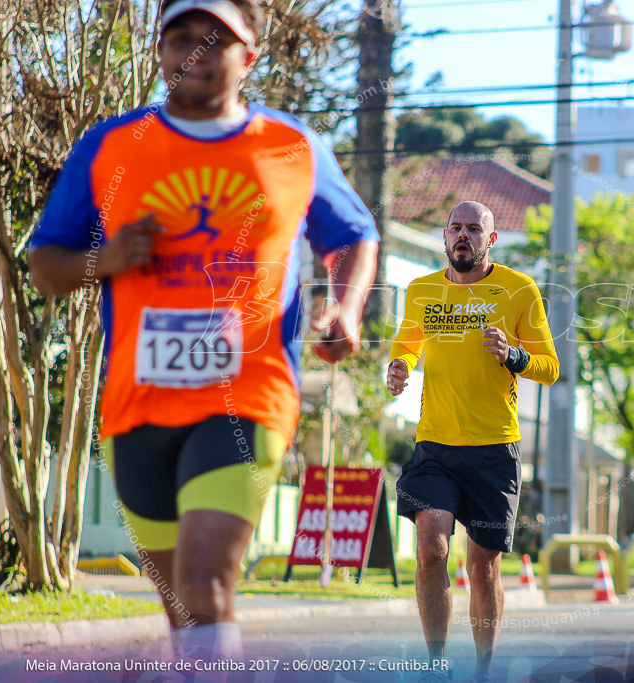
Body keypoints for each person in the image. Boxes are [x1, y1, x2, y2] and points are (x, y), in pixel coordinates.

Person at [29, 0, 379, 661]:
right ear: (160, 50)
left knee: (206, 581)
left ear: (249, 57)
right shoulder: (111, 146)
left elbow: (355, 233)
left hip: (247, 395)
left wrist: (346, 308)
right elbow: (46, 265)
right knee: (184, 610)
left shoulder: (291, 147)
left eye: (215, 40)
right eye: (180, 36)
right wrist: (106, 259)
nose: (194, 52)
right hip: (137, 405)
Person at [386, 201, 559, 681]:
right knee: (430, 548)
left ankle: (484, 670)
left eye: (474, 229)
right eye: (455, 228)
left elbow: (551, 368)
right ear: (444, 236)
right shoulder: (421, 291)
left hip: (493, 449)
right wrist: (400, 367)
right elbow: (407, 343)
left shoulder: (518, 290)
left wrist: (514, 355)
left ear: (491, 238)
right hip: (435, 447)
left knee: (482, 568)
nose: (463, 235)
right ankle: (437, 663)